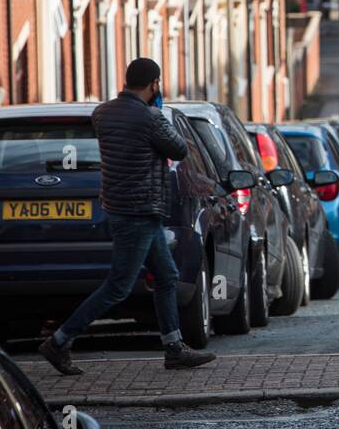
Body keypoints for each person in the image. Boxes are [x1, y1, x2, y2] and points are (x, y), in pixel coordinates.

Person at [38, 58, 215, 375]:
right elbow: (179, 150)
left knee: (166, 276)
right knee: (118, 286)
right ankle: (60, 341)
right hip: (140, 209)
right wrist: (159, 115)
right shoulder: (150, 117)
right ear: (154, 85)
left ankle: (173, 348)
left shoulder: (102, 113)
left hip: (120, 207)